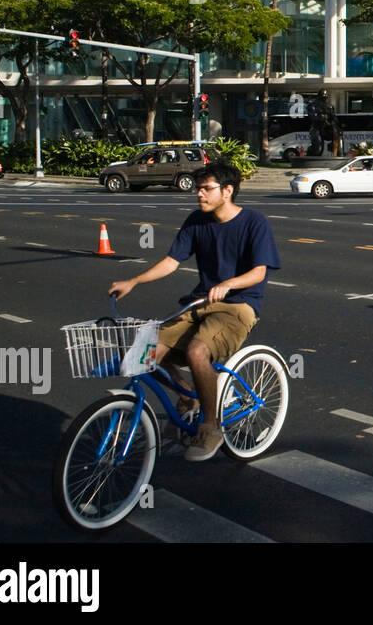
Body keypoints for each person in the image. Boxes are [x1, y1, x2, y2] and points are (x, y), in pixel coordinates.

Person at [109, 162, 281, 461]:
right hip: (200, 302)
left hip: (238, 306)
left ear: (227, 191)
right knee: (145, 353)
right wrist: (133, 281)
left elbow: (259, 272)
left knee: (197, 352)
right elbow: (172, 261)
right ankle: (189, 397)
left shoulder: (254, 222)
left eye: (206, 189)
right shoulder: (196, 221)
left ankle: (211, 427)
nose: (199, 194)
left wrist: (229, 284)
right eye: (198, 188)